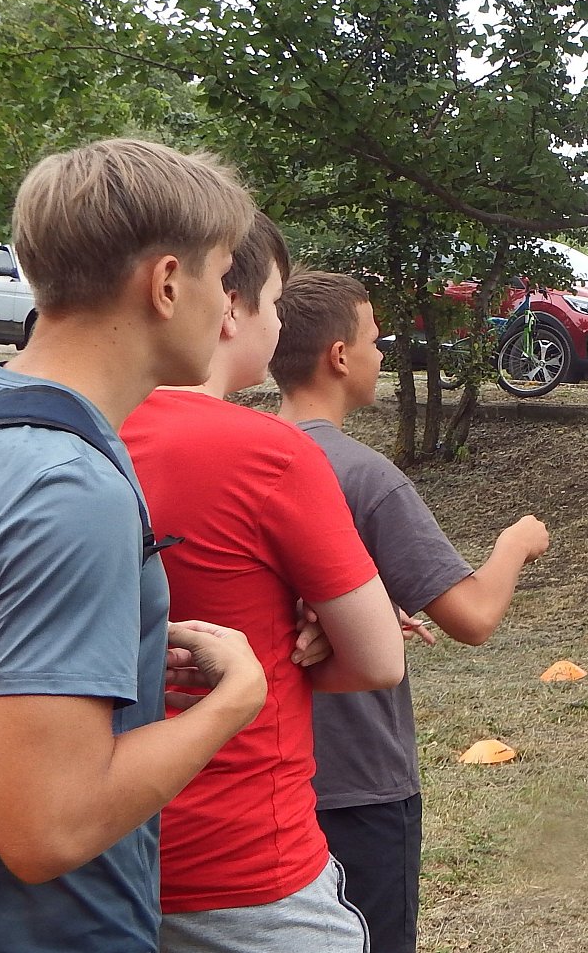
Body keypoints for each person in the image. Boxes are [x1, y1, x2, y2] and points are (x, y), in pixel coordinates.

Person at [0, 139, 268, 951]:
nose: (228, 310)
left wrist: (109, 654)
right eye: (222, 277)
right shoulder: (69, 487)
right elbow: (48, 832)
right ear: (166, 283)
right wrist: (239, 699)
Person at [121, 218, 407, 952]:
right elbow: (380, 659)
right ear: (230, 304)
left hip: (94, 862)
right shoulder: (269, 454)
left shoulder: (75, 433)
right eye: (275, 302)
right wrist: (303, 634)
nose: (279, 325)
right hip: (243, 864)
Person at [270, 270, 551, 953]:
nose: (383, 354)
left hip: (259, 780)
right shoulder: (365, 476)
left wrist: (364, 614)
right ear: (340, 356)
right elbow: (472, 618)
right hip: (357, 784)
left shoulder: (242, 455)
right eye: (375, 340)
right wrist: (516, 544)